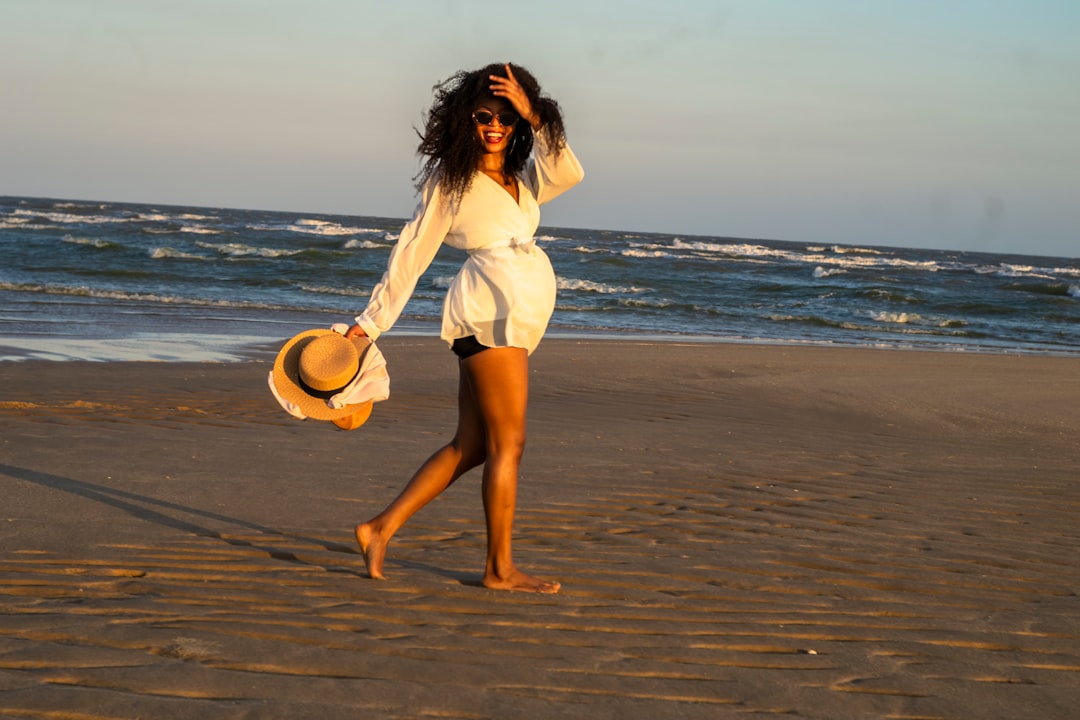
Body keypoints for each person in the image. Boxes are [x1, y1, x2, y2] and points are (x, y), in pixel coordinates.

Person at [345, 62, 584, 593]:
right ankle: (499, 569)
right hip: (488, 316)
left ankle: (378, 528)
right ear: (465, 119)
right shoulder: (451, 181)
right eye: (484, 115)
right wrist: (370, 324)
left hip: (513, 318)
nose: (495, 125)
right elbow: (412, 252)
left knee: (472, 446)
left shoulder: (521, 178)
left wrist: (535, 115)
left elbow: (569, 172)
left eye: (505, 116)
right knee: (510, 443)